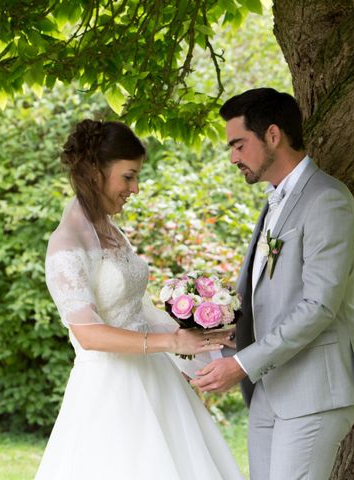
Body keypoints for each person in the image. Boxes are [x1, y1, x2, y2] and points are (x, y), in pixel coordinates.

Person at [35, 119, 244, 480]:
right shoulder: (67, 243)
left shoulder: (111, 232)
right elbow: (89, 334)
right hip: (110, 393)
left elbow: (136, 308)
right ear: (96, 172)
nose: (135, 187)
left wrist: (205, 337)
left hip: (157, 381)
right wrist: (172, 341)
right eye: (128, 176)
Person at [191, 88, 354, 480]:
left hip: (314, 391)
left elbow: (320, 306)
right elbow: (268, 297)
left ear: (272, 135)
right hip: (271, 388)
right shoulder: (275, 201)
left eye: (238, 145)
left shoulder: (327, 200)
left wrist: (242, 364)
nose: (233, 157)